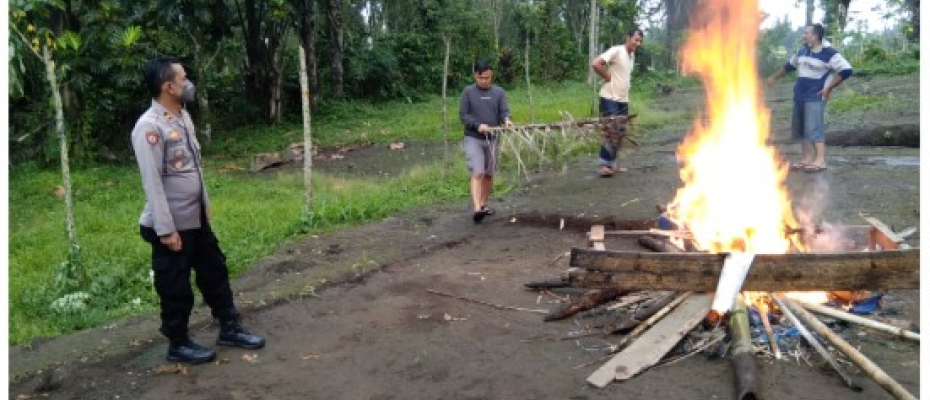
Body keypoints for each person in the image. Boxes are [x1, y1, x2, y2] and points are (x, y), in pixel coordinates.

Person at [131, 56, 265, 364]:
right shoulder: (149, 127)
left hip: (195, 218)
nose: (188, 83)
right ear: (168, 87)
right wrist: (166, 230)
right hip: (172, 225)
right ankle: (178, 343)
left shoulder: (182, 117)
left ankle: (229, 326)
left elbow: (191, 169)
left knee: (214, 271)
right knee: (175, 285)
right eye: (183, 78)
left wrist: (204, 207)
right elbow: (153, 184)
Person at [766, 23, 852, 173]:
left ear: (815, 36)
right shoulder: (803, 52)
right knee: (801, 128)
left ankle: (820, 161)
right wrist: (773, 78)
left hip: (815, 96)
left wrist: (828, 88)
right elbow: (788, 66)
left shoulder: (829, 53)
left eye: (806, 33)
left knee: (814, 128)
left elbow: (846, 70)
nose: (804, 35)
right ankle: (806, 159)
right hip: (799, 95)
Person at [459, 60, 514, 224]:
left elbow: (504, 111)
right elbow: (463, 116)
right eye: (481, 78)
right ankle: (476, 208)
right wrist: (478, 125)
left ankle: (483, 205)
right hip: (473, 138)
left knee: (489, 175)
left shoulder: (499, 92)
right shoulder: (468, 92)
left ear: (491, 76)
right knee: (478, 173)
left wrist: (507, 120)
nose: (485, 81)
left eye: (488, 78)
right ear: (475, 75)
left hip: (493, 138)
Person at [591, 28, 643, 177]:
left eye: (640, 41)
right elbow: (596, 64)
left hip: (622, 99)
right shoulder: (617, 51)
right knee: (609, 131)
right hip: (609, 98)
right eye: (636, 39)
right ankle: (603, 165)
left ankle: (613, 164)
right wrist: (607, 77)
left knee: (619, 132)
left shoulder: (631, 56)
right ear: (628, 38)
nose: (637, 43)